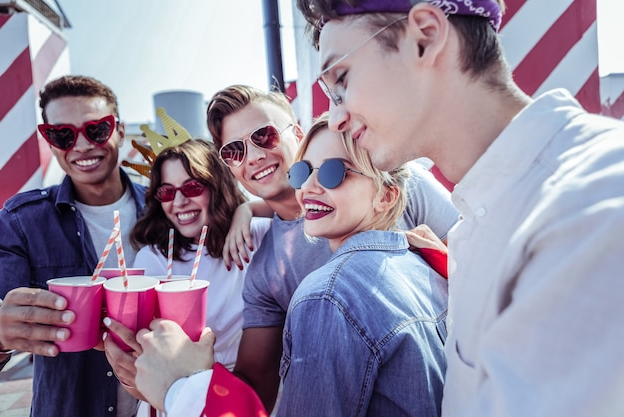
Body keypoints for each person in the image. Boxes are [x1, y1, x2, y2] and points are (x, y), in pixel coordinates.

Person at [297, 1, 624, 416]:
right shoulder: (484, 217)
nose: (335, 117)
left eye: (341, 80)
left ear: (425, 37)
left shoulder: (587, 208)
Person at [133, 113, 449, 417]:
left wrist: (183, 387)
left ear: (387, 196)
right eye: (302, 172)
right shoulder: (422, 262)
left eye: (332, 173)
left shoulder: (324, 296)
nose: (308, 187)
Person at [205, 84, 458, 411]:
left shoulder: (395, 179)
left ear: (296, 132)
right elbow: (256, 387)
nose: (253, 156)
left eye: (264, 136)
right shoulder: (265, 268)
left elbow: (477, 263)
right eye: (234, 151)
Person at [0, 75, 146, 417]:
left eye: (96, 129)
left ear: (120, 131)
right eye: (63, 135)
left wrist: (244, 211)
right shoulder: (21, 222)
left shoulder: (166, 207)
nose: (81, 145)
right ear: (49, 141)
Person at [103, 123, 270, 416]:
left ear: (216, 187)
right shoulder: (152, 258)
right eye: (167, 192)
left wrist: (248, 210)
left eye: (192, 187)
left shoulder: (255, 236)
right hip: (171, 398)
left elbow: (300, 208)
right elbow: (138, 359)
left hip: (242, 395)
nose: (179, 202)